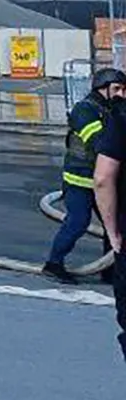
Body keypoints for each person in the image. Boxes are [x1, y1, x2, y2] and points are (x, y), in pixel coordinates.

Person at [45, 69, 121, 281]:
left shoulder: (111, 109)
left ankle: (110, 271)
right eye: (116, 89)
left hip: (104, 182)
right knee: (78, 222)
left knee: (113, 225)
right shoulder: (84, 110)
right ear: (102, 89)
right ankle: (53, 264)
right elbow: (100, 143)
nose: (121, 94)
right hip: (79, 181)